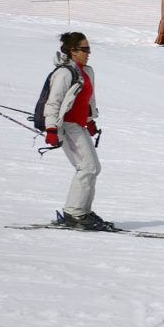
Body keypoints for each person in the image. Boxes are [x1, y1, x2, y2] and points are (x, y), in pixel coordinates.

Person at [44, 32, 112, 231]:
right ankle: (74, 213)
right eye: (84, 49)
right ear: (72, 51)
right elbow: (53, 102)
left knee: (93, 168)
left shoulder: (86, 71)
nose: (88, 53)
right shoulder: (65, 73)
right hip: (68, 126)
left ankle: (83, 211)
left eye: (89, 49)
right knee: (87, 168)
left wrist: (90, 121)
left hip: (79, 126)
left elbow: (87, 101)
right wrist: (51, 128)